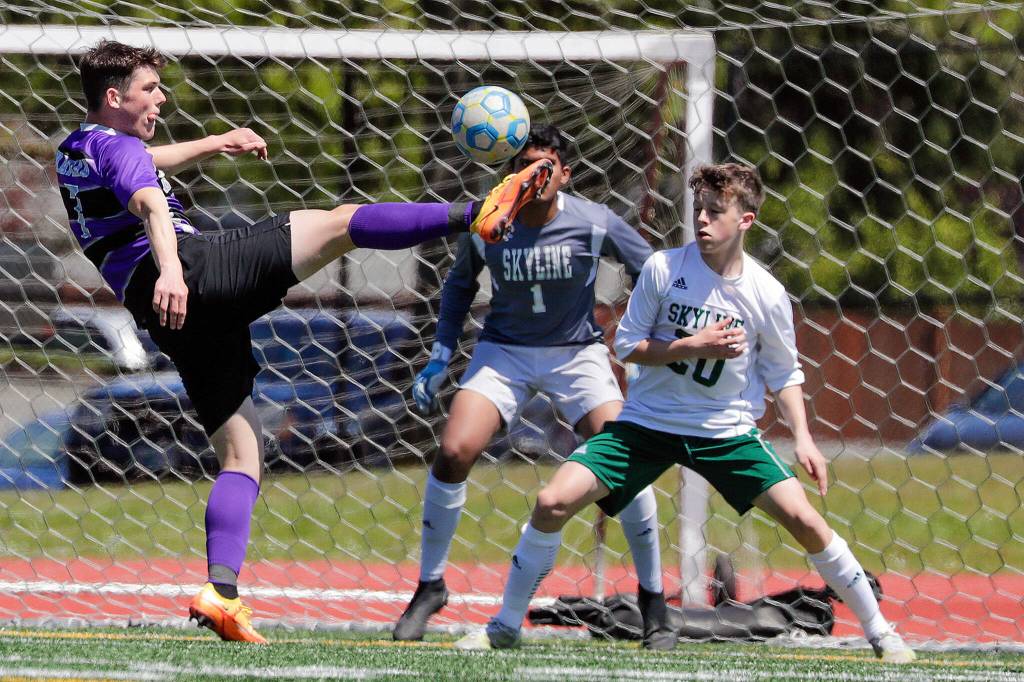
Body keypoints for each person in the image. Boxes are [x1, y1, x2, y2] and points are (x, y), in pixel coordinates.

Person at [55, 40, 553, 644]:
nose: (161, 98)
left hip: (166, 317)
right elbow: (149, 198)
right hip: (196, 274)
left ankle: (222, 591)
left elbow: (143, 164)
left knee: (241, 453)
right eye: (150, 89)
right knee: (343, 223)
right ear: (115, 97)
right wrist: (174, 270)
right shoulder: (121, 148)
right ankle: (476, 211)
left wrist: (214, 144)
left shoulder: (78, 150)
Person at [454, 163, 917, 663]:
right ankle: (504, 626)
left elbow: (785, 374)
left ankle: (881, 632)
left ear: (746, 221)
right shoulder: (663, 268)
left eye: (716, 212)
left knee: (805, 519)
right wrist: (688, 346)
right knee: (551, 503)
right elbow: (627, 345)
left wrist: (803, 437)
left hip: (726, 434)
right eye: (700, 210)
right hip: (646, 425)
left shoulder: (766, 294)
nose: (703, 221)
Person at [393, 125, 675, 650]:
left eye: (548, 166)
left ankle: (653, 600)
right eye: (526, 165)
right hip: (504, 352)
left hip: (578, 353)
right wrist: (438, 356)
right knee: (454, 450)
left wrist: (645, 346)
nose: (537, 176)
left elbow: (654, 273)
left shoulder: (594, 222)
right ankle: (430, 585)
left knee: (625, 460)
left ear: (566, 175)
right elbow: (458, 288)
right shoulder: (489, 222)